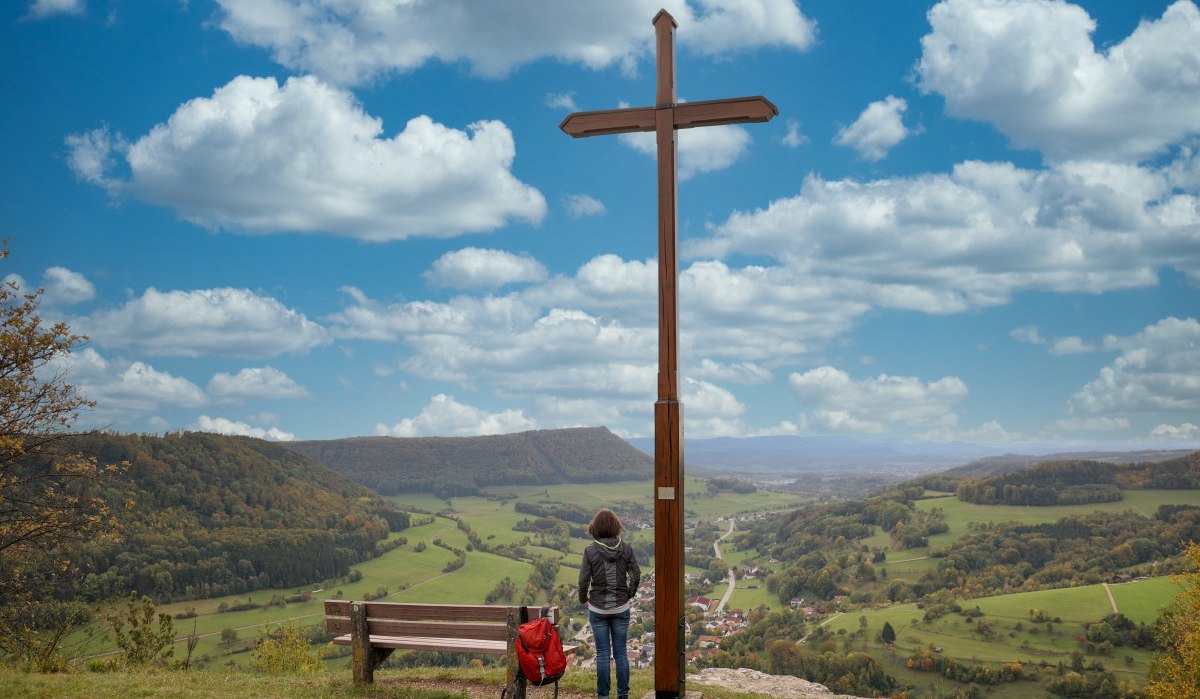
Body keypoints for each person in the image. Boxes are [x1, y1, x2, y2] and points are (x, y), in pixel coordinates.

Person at [578, 508, 641, 699]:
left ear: (595, 528)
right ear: (616, 527)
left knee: (603, 653)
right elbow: (636, 574)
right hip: (621, 607)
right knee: (621, 653)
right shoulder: (626, 548)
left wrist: (583, 598)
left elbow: (583, 581)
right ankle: (623, 695)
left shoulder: (590, 551)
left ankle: (603, 696)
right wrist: (629, 594)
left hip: (597, 608)